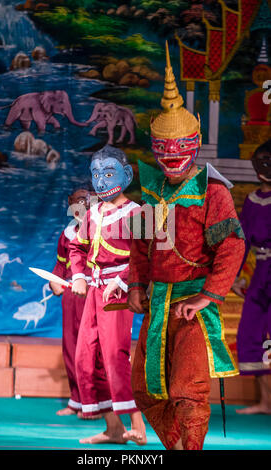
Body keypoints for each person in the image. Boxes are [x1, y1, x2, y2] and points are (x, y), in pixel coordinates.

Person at [127, 42, 246, 450]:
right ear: (154, 148)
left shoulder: (212, 193)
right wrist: (137, 286)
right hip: (158, 301)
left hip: (192, 299)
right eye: (163, 149)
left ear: (194, 142)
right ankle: (174, 447)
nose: (171, 157)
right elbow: (141, 247)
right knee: (144, 388)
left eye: (179, 148)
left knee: (186, 386)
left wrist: (208, 296)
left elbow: (231, 246)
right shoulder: (149, 192)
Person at [69, 145, 147, 445]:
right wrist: (78, 275)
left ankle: (137, 425)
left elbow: (148, 257)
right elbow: (77, 247)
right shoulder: (92, 212)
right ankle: (114, 429)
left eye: (109, 173)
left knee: (115, 358)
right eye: (96, 174)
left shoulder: (140, 213)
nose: (101, 181)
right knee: (87, 356)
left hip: (120, 296)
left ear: (126, 175)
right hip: (95, 292)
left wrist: (125, 282)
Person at [50, 187, 103, 418]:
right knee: (71, 346)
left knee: (94, 348)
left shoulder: (100, 230)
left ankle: (97, 403)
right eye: (76, 202)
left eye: (85, 202)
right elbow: (61, 264)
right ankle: (77, 400)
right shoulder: (68, 233)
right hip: (72, 295)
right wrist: (56, 281)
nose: (80, 206)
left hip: (93, 292)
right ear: (70, 204)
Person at [234, 139, 271, 415]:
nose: (264, 167)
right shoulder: (251, 200)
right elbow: (241, 242)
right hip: (260, 274)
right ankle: (266, 402)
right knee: (251, 332)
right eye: (260, 161)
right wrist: (236, 277)